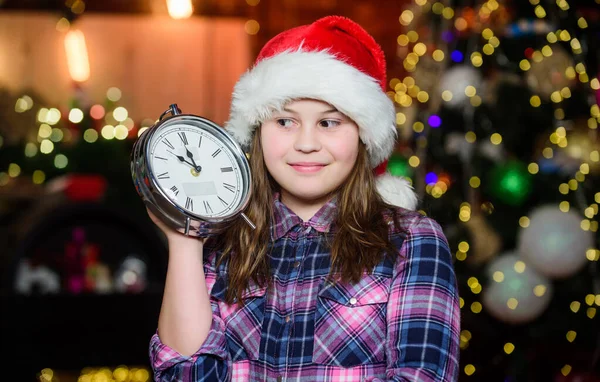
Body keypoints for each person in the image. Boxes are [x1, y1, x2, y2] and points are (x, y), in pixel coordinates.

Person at [147, 15, 460, 382]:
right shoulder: (221, 242)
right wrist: (185, 241)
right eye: (284, 121)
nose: (306, 143)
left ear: (362, 135)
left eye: (329, 122)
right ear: (257, 133)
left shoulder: (411, 240)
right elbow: (184, 375)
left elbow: (422, 375)